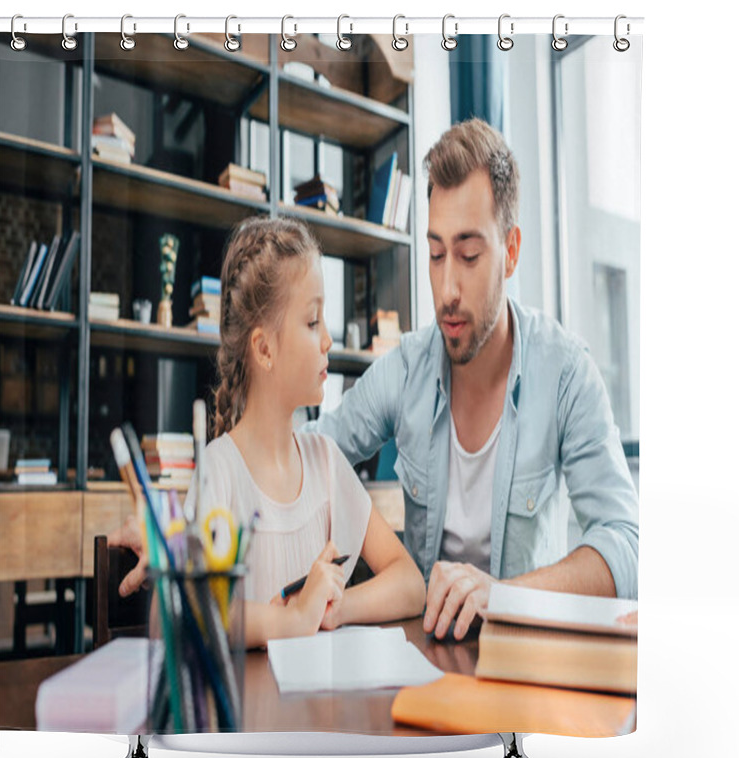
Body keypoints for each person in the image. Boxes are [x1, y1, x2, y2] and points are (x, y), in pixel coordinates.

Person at [307, 118, 639, 641]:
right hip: (426, 662)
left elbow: (626, 544)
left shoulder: (567, 373)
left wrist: (502, 596)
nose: (446, 289)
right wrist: (185, 515)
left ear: (510, 251)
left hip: (526, 668)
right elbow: (307, 455)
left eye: (467, 255)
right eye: (436, 255)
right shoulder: (408, 367)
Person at [110, 216, 426, 649]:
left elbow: (411, 583)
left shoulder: (326, 460)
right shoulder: (220, 469)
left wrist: (336, 606)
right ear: (264, 349)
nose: (328, 340)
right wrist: (293, 619)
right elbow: (177, 617)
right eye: (313, 322)